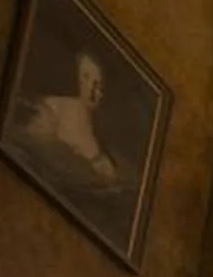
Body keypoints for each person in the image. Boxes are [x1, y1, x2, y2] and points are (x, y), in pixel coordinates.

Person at [9, 49, 126, 199]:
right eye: (86, 77)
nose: (91, 89)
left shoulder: (101, 137)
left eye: (98, 86)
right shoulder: (53, 108)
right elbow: (30, 148)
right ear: (76, 77)